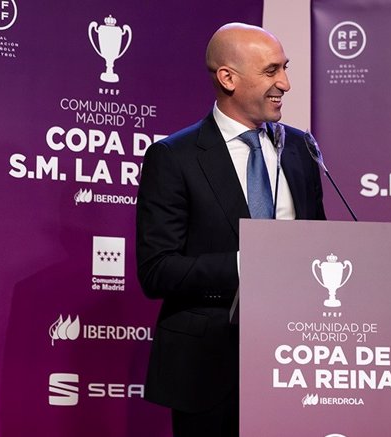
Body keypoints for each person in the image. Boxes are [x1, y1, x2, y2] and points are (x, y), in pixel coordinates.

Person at [135, 22, 326, 437]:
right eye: (271, 71)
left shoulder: (301, 149)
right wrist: (249, 264)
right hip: (208, 368)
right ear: (228, 78)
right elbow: (157, 270)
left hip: (297, 362)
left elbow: (320, 244)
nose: (286, 84)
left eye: (285, 68)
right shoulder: (174, 157)